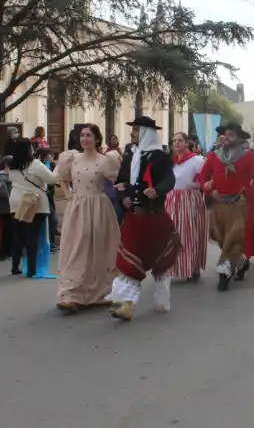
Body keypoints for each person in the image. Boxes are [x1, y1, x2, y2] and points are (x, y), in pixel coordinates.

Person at [107, 117, 178, 320]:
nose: (132, 134)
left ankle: (162, 297)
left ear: (147, 133)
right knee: (128, 260)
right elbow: (121, 182)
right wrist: (123, 197)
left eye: (136, 131)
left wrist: (157, 190)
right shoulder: (130, 157)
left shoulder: (161, 157)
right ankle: (123, 304)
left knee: (160, 262)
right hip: (134, 218)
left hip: (154, 217)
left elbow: (169, 179)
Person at [54, 124, 120, 312]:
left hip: (99, 206)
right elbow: (63, 178)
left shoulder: (106, 160)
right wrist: (69, 195)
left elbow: (118, 180)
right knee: (76, 248)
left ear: (97, 139)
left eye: (89, 135)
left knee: (98, 249)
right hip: (78, 207)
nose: (84, 139)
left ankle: (99, 292)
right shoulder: (71, 158)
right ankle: (70, 294)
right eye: (82, 135)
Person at [199, 123, 254, 291]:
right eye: (225, 135)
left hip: (239, 204)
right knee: (222, 238)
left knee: (234, 238)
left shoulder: (248, 157)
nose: (227, 138)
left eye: (232, 135)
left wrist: (247, 193)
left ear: (239, 139)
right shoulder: (214, 156)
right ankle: (241, 263)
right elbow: (202, 177)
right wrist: (210, 191)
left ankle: (224, 273)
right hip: (219, 205)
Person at [8, 138, 59, 278]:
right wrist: (58, 168)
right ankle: (31, 269)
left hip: (15, 201)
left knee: (18, 236)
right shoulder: (35, 164)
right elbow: (52, 179)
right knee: (32, 236)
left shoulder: (12, 165)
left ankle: (14, 267)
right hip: (33, 202)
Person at [166, 132, 208, 282]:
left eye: (180, 140)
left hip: (190, 198)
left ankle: (193, 266)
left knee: (191, 234)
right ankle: (177, 267)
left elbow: (203, 180)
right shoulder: (172, 162)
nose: (176, 143)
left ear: (187, 143)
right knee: (174, 235)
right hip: (172, 199)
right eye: (174, 140)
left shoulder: (197, 160)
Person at [0, 156, 13, 261]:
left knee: (9, 231)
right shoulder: (2, 177)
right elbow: (3, 192)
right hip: (4, 209)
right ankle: (2, 252)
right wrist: (11, 199)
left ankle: (9, 251)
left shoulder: (7, 177)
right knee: (4, 232)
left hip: (9, 209)